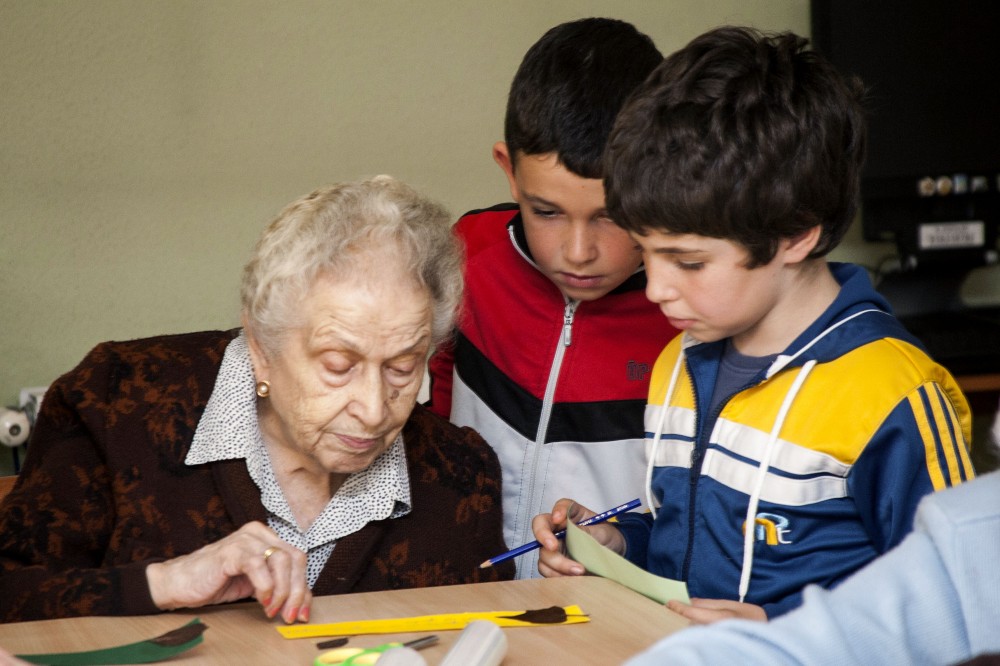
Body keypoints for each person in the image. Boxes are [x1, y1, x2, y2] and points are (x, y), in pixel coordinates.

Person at [533, 26, 974, 621]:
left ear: (796, 232)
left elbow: (960, 600)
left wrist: (780, 629)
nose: (657, 288)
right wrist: (620, 545)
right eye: (646, 252)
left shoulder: (892, 394)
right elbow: (684, 544)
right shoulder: (679, 362)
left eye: (688, 261)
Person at [0, 175, 513, 624]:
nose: (376, 409)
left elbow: (495, 637)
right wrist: (164, 583)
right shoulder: (115, 400)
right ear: (262, 347)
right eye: (338, 366)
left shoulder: (460, 477)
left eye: (403, 367)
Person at [427, 17, 680, 578]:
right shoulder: (470, 252)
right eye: (546, 212)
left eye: (613, 216)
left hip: (614, 617)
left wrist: (623, 545)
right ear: (509, 173)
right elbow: (438, 398)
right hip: (470, 593)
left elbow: (699, 516)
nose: (578, 252)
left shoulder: (687, 312)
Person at [624, 469, 1000, 665]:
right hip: (671, 637)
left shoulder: (893, 385)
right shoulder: (970, 529)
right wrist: (627, 538)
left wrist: (777, 621)